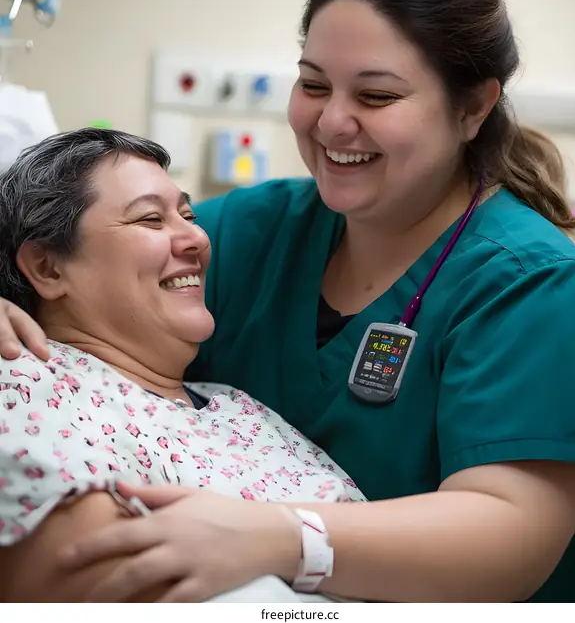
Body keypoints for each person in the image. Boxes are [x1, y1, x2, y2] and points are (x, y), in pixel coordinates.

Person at [2, 0, 575, 603]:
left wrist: (284, 538)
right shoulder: (256, 232)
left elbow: (509, 534)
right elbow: (78, 264)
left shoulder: (529, 284)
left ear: (473, 108)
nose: (332, 122)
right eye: (313, 84)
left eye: (376, 96)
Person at [0, 128, 364, 604]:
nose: (196, 236)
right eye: (151, 218)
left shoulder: (243, 412)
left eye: (189, 215)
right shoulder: (27, 386)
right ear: (48, 268)